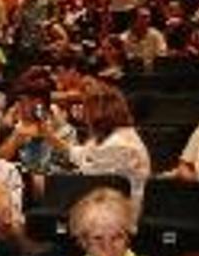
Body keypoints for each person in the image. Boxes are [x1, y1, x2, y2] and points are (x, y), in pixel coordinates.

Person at [65, 78, 152, 210]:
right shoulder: (109, 136)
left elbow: (90, 179)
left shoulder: (118, 144)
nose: (84, 113)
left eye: (86, 107)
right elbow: (82, 154)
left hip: (119, 215)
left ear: (98, 113)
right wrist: (50, 136)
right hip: (108, 205)